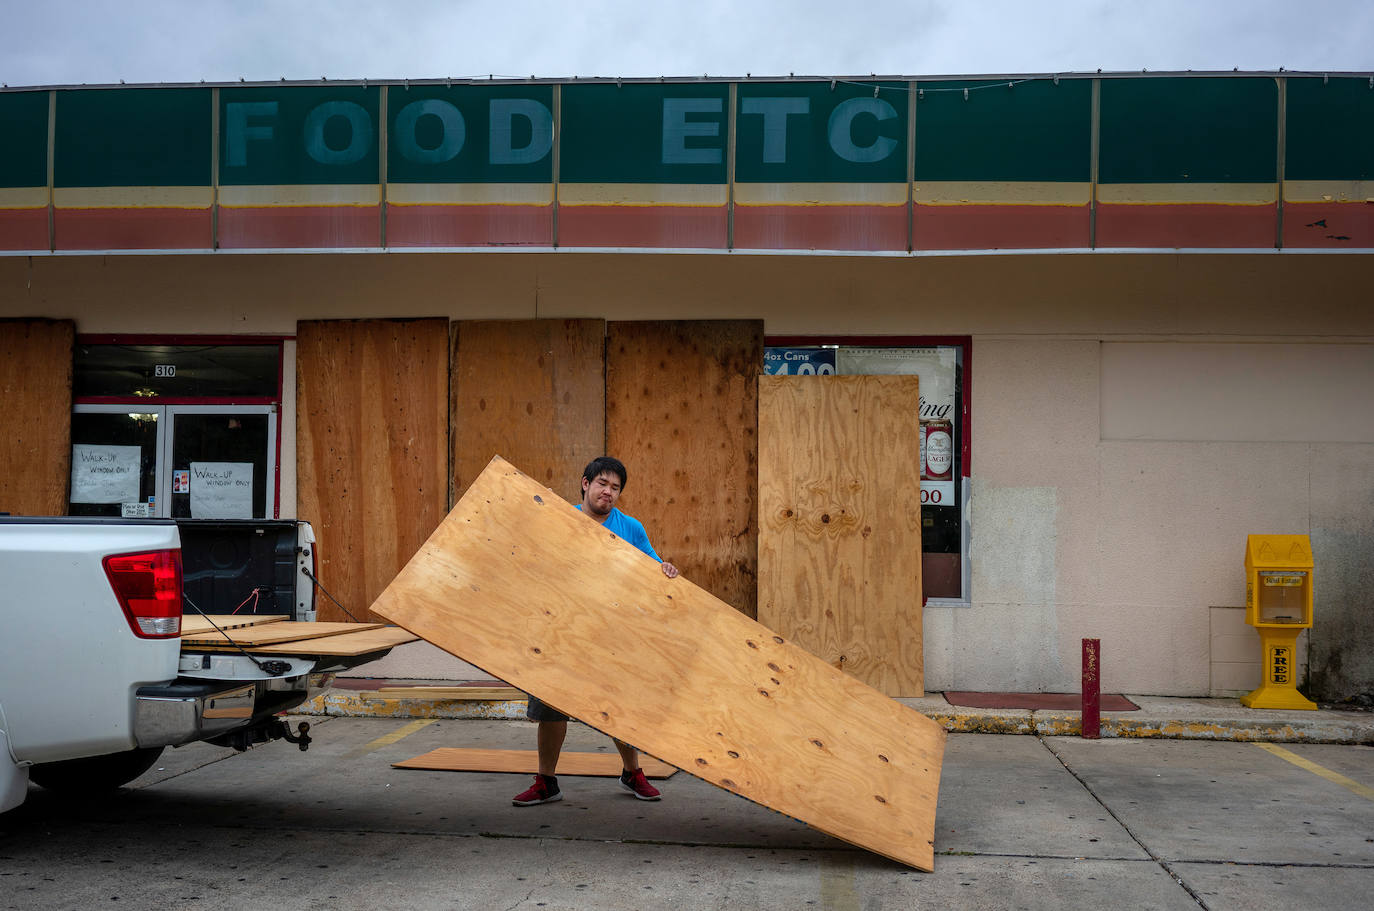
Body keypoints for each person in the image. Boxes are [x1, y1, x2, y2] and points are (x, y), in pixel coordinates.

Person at [512, 456, 679, 807]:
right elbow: (530, 552)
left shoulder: (630, 528)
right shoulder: (561, 517)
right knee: (551, 707)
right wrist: (535, 511)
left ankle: (632, 772)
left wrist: (664, 568)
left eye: (616, 488)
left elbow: (651, 567)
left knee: (619, 705)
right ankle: (546, 782)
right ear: (586, 484)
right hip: (560, 627)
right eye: (603, 483)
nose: (609, 492)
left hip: (608, 632)